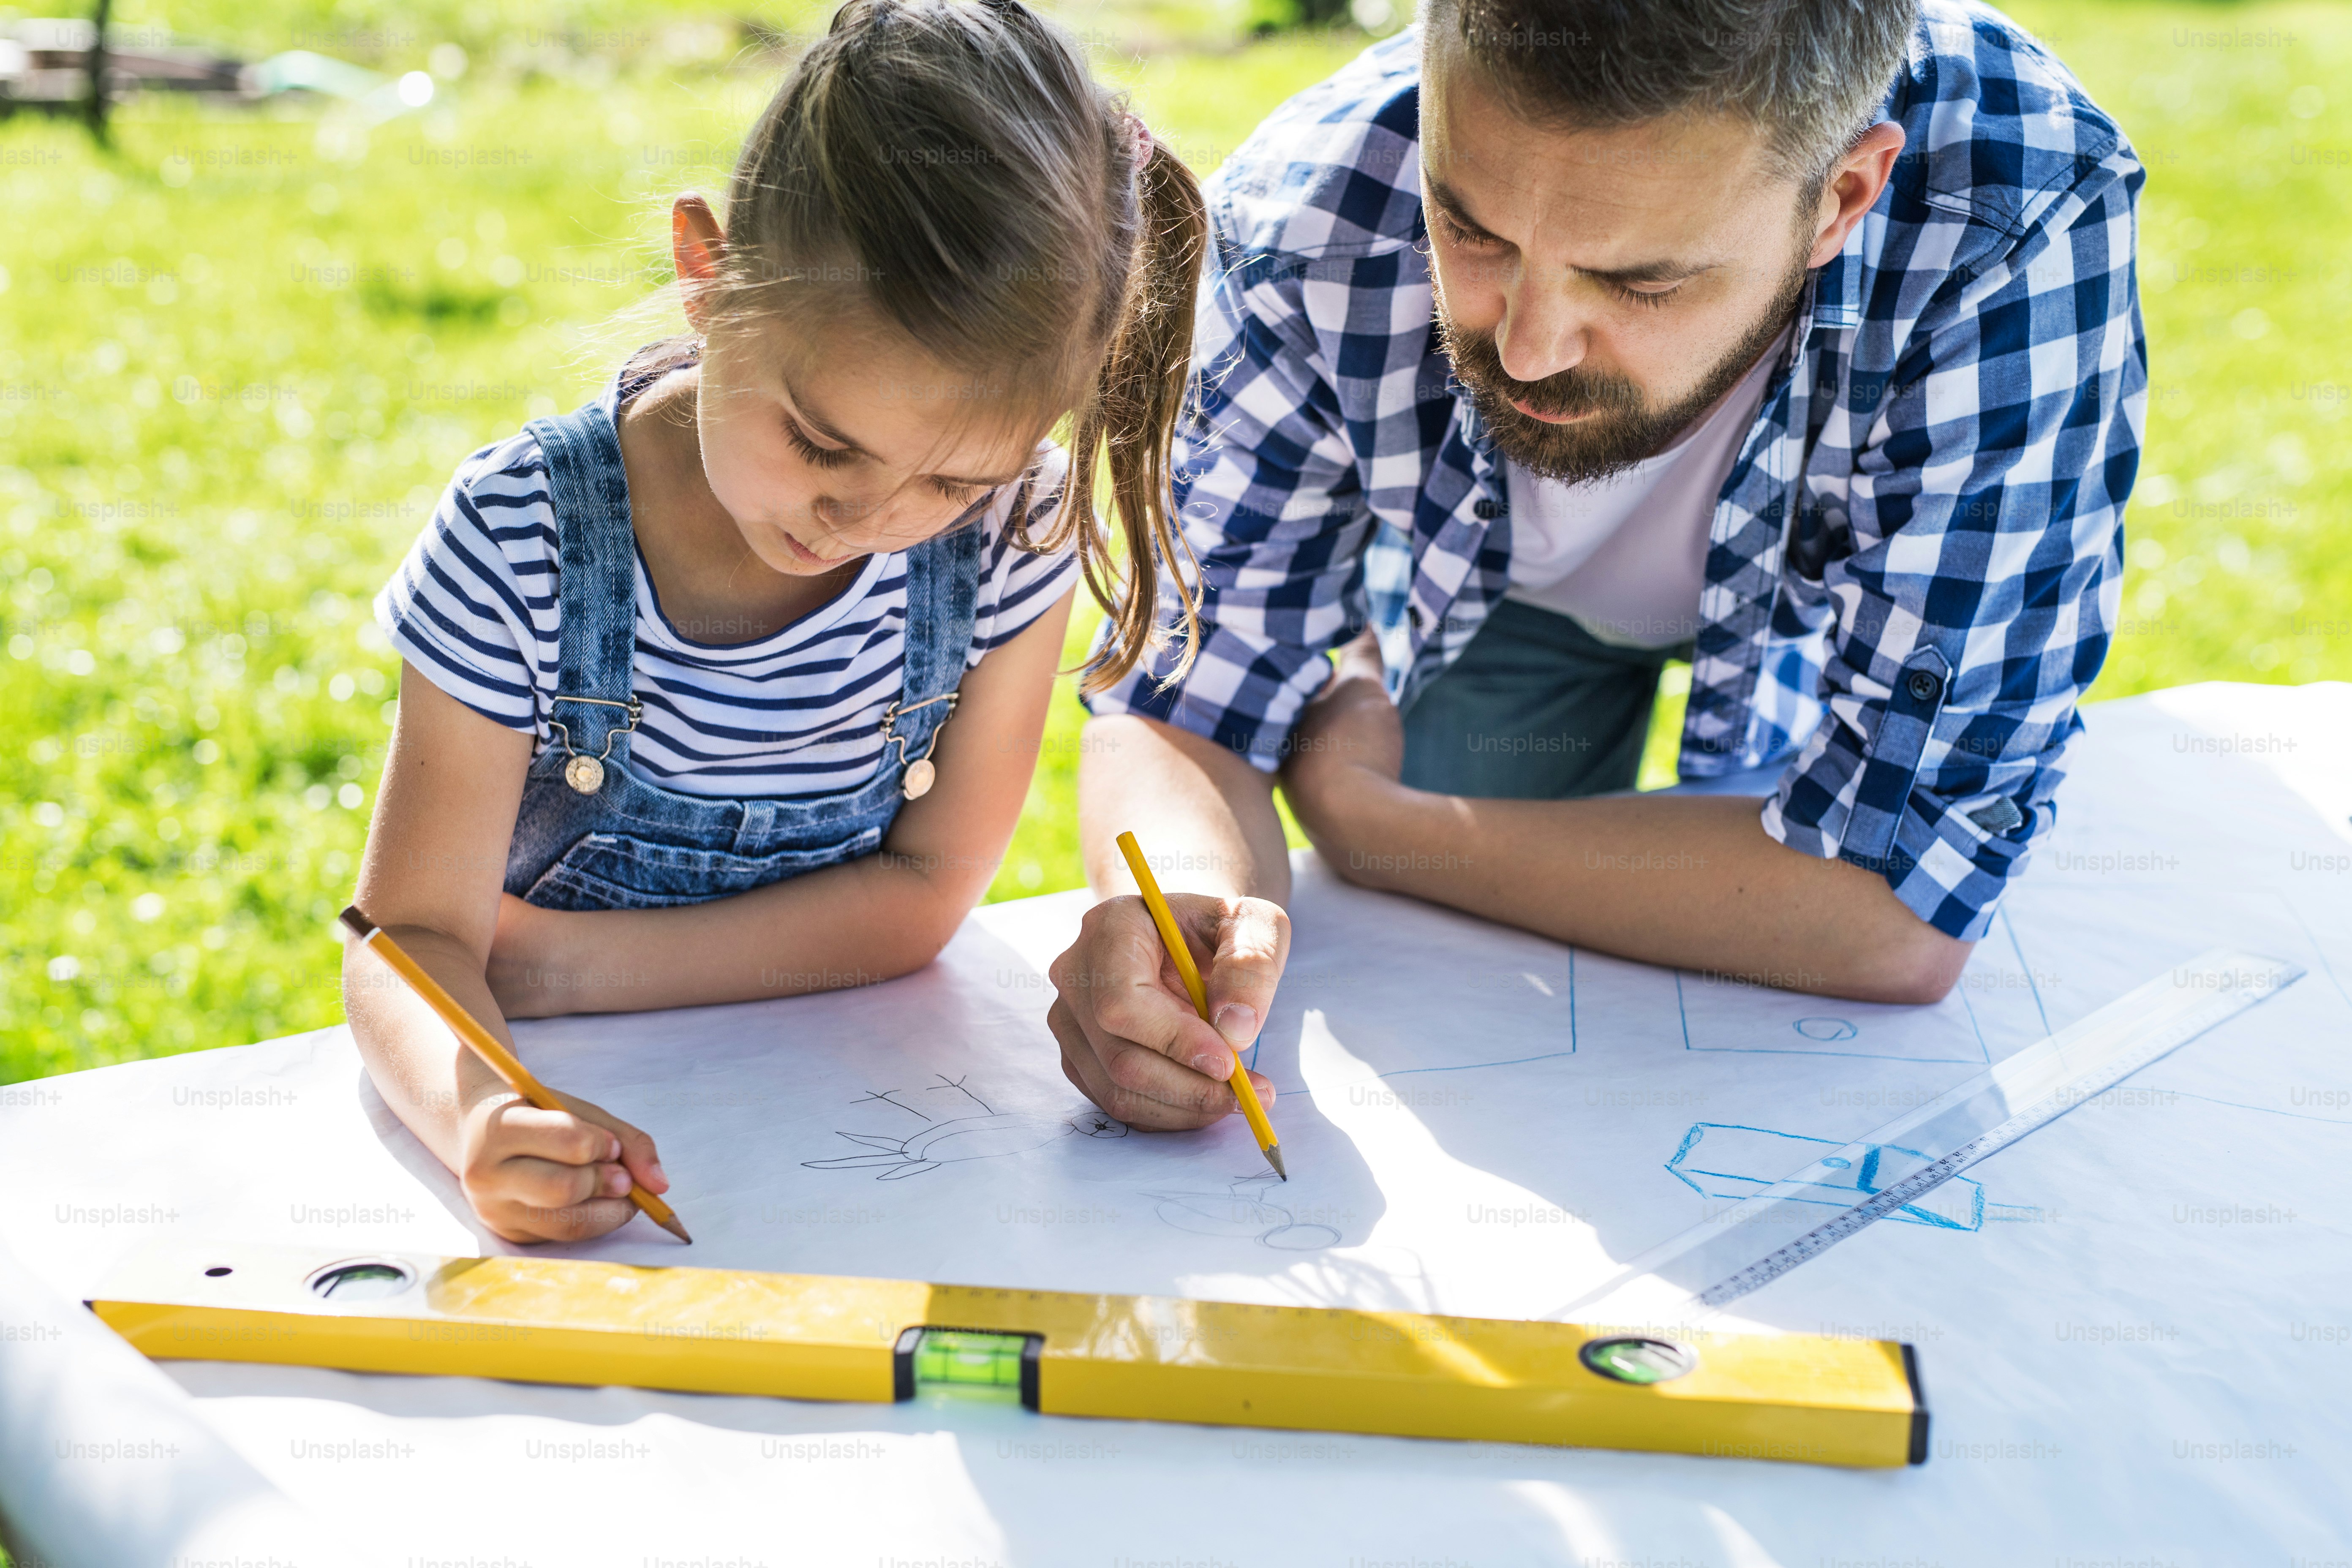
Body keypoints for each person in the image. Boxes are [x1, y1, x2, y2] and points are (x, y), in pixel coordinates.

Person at [1047, 0, 2145, 1131]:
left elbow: (1899, 906)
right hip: (1500, 586)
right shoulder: (1304, 214)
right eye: (1471, 231)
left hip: (1823, 589)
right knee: (1461, 980)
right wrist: (1174, 919)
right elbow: (1189, 704)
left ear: (1843, 197)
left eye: (1639, 283)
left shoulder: (2013, 216)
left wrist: (1382, 826)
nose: (1526, 351)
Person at [344, 0, 1209, 1243]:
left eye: (950, 481)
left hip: (852, 1140)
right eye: (820, 444)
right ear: (708, 276)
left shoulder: (1016, 531)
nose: (869, 519)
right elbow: (410, 940)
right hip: (548, 1094)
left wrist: (553, 966)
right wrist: (480, 1113)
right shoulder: (521, 537)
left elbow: (925, 893)